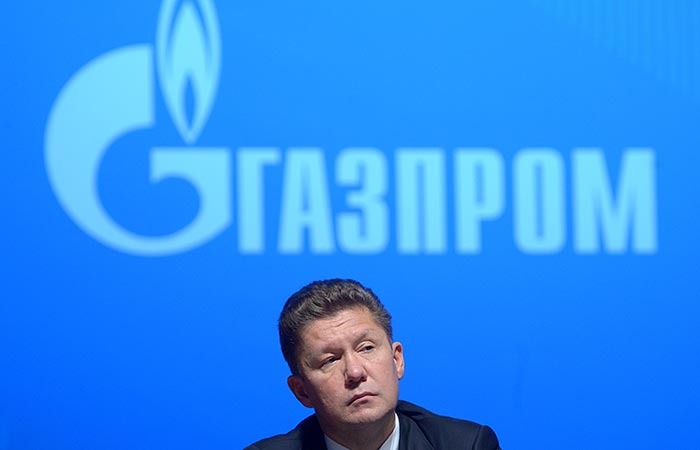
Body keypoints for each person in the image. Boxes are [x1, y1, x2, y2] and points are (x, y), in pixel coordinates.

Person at [244, 279, 501, 450]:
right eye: (330, 360)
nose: (355, 372)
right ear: (302, 391)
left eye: (366, 348)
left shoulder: (467, 445)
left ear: (397, 360)